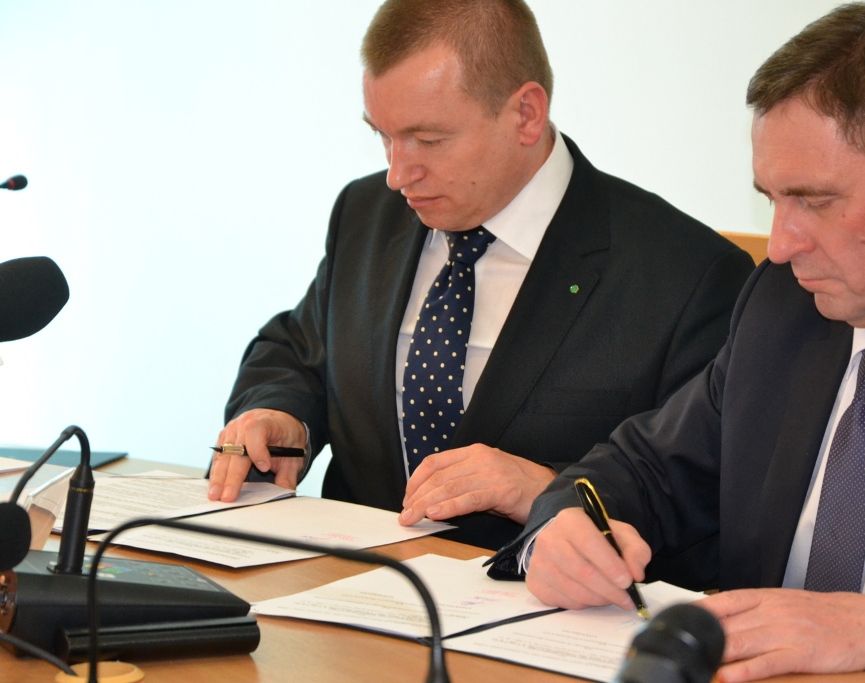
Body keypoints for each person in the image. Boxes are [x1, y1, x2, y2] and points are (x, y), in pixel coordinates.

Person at [489, 3, 865, 680]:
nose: (779, 245)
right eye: (772, 199)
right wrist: (563, 527)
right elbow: (642, 468)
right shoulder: (783, 311)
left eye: (814, 201)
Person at [206, 0, 753, 551]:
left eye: (429, 140)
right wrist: (279, 413)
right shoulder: (366, 212)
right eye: (383, 136)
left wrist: (549, 489)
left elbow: (702, 490)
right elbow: (302, 349)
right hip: (344, 579)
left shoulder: (686, 275)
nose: (398, 173)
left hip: (537, 594)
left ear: (526, 114)